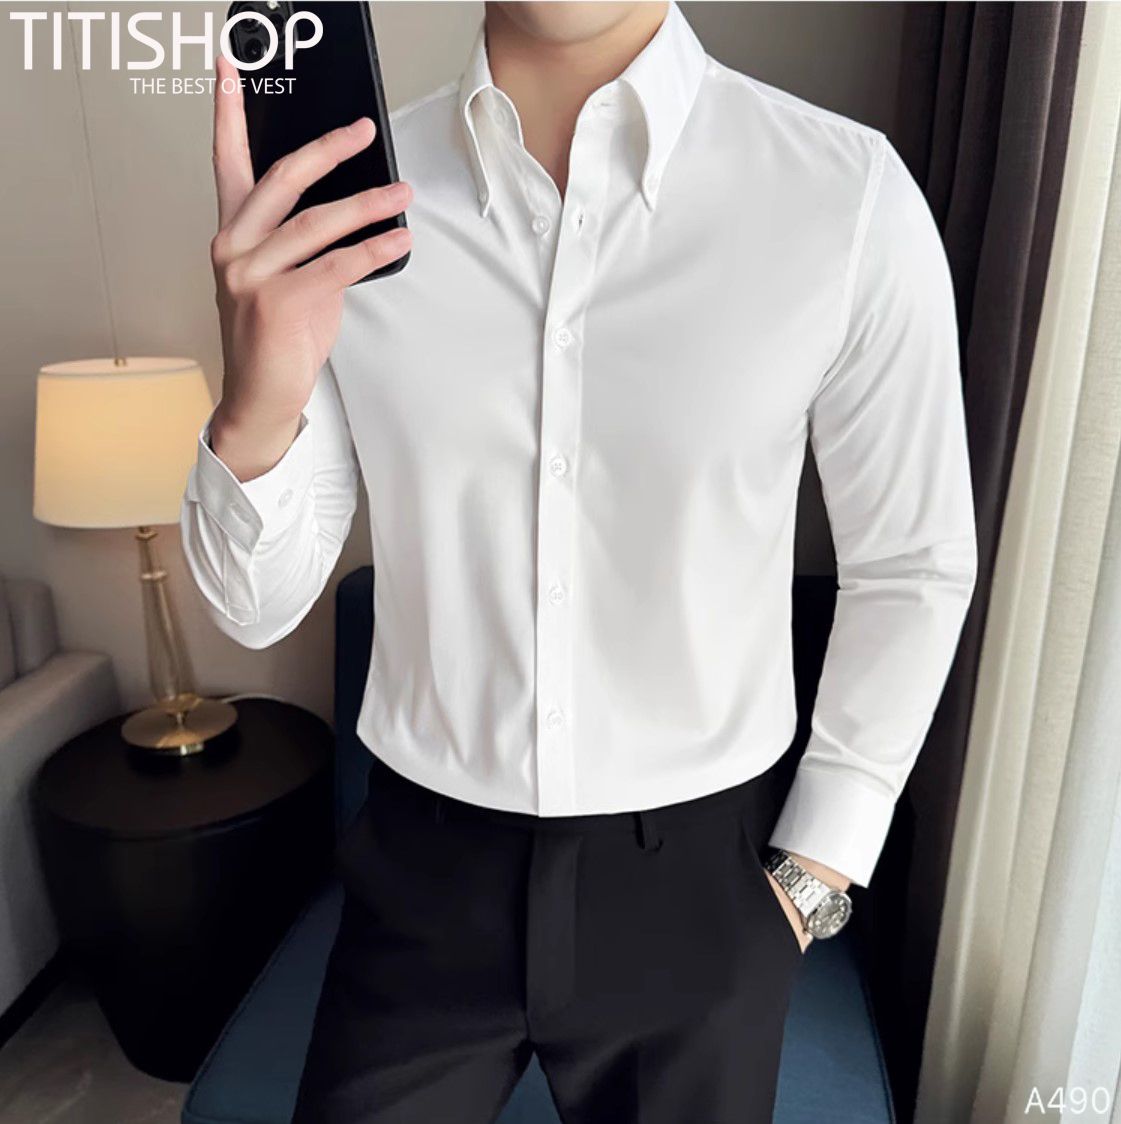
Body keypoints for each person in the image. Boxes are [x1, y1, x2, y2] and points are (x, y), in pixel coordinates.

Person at [180, 2, 978, 1120]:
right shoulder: (353, 210)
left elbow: (913, 561)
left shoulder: (843, 197)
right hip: (421, 873)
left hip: (700, 886)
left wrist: (815, 872)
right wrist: (256, 399)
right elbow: (252, 607)